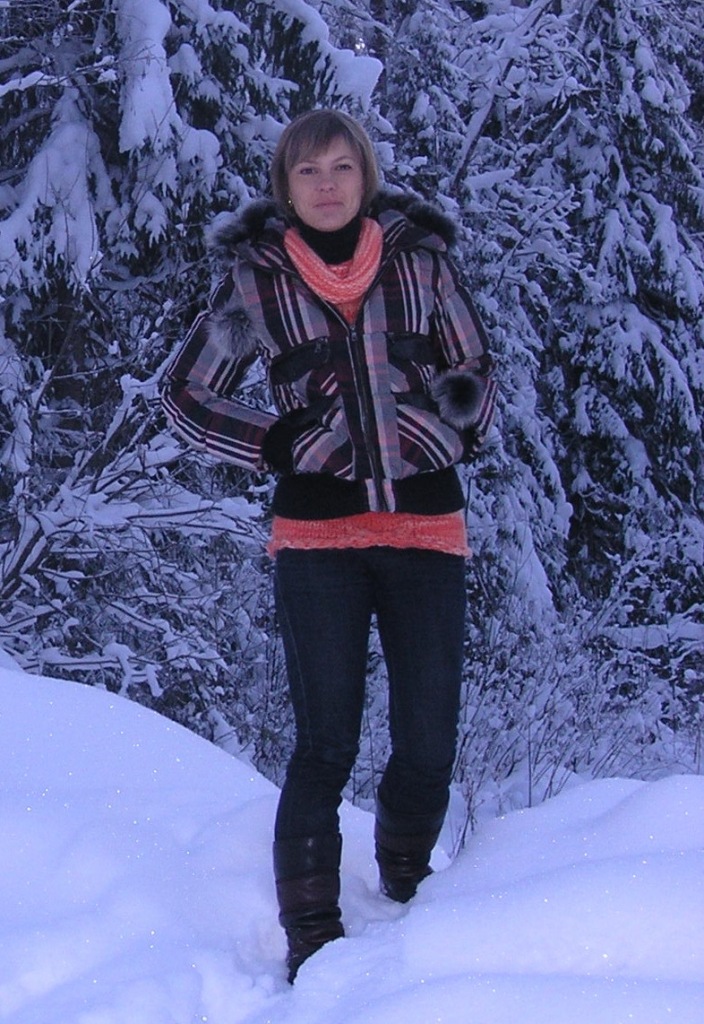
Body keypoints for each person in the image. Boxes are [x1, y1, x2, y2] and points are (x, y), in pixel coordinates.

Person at [161, 109, 497, 982]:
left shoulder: (421, 261)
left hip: (426, 527)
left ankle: (406, 887)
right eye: (307, 171)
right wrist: (278, 442)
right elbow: (186, 397)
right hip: (317, 537)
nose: (326, 185)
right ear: (285, 186)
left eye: (341, 167)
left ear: (365, 174)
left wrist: (439, 434)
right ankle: (311, 932)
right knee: (325, 745)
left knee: (429, 741)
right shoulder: (256, 280)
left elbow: (474, 371)